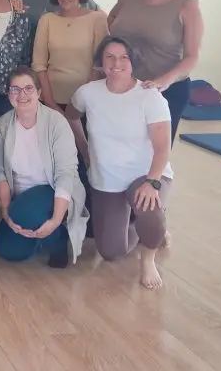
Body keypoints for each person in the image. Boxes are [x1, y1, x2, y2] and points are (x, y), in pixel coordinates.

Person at [65, 36, 173, 290]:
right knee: (111, 251)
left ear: (133, 62)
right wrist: (86, 151)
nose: (117, 64)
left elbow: (162, 148)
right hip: (107, 179)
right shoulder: (88, 93)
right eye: (110, 57)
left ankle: (148, 257)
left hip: (147, 174)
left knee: (148, 205)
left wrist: (152, 182)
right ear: (101, 62)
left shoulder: (150, 96)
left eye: (124, 57)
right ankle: (147, 227)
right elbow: (71, 117)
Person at [108, 0, 203, 140]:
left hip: (165, 91)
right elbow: (110, 25)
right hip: (125, 87)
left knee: (154, 154)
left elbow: (192, 56)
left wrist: (165, 80)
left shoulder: (188, 5)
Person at [0, 68, 89, 268]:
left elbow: (65, 173)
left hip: (53, 191)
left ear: (39, 92)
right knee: (9, 251)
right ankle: (35, 232)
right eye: (15, 89)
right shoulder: (1, 126)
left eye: (28, 88)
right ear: (8, 94)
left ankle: (57, 239)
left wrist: (55, 220)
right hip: (19, 198)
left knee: (26, 213)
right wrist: (6, 213)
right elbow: (0, 171)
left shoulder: (56, 122)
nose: (22, 94)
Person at [32, 0, 109, 112]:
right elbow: (39, 66)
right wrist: (51, 104)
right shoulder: (47, 20)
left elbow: (99, 65)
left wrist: (80, 104)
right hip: (50, 100)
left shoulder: (98, 19)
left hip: (88, 101)